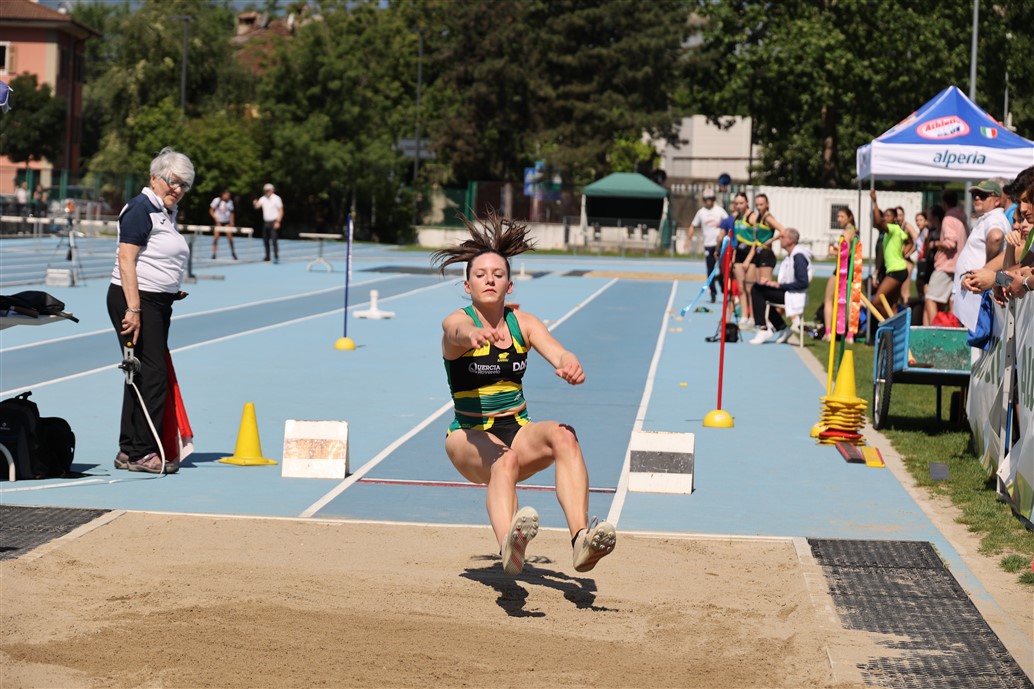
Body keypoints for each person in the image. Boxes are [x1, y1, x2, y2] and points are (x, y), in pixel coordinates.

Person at [431, 213, 616, 577]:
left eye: (497, 274)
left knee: (564, 436)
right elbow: (453, 330)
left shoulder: (524, 324)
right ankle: (509, 545)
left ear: (510, 285)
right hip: (468, 435)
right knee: (505, 460)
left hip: (517, 429)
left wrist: (570, 363)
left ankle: (581, 540)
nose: (489, 280)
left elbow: (558, 352)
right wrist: (471, 336)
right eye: (480, 275)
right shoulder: (459, 321)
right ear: (467, 285)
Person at [106, 147, 194, 475]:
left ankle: (129, 449)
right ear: (155, 178)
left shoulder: (163, 211)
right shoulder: (140, 208)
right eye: (173, 181)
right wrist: (134, 309)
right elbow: (126, 258)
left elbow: (156, 256)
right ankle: (143, 452)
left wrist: (170, 288)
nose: (178, 189)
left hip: (155, 302)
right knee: (154, 375)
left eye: (184, 185)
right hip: (136, 301)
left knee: (140, 372)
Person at [952, 179, 1009, 331]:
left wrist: (986, 272)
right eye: (975, 195)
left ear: (997, 200)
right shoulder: (987, 218)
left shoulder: (995, 218)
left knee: (976, 341)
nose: (977, 198)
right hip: (975, 294)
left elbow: (995, 237)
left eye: (983, 195)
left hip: (979, 296)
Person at [748, 227, 812, 344]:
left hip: (795, 294)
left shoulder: (798, 257)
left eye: (782, 237)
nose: (779, 239)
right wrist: (771, 284)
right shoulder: (790, 255)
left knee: (757, 290)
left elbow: (803, 282)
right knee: (759, 288)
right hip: (788, 291)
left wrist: (779, 286)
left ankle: (764, 328)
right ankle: (781, 327)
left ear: (790, 240)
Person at [870, 190, 917, 320]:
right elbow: (909, 241)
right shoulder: (896, 231)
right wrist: (903, 252)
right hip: (898, 269)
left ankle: (892, 323)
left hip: (897, 270)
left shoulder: (893, 229)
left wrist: (875, 201)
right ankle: (897, 327)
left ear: (895, 218)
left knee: (876, 302)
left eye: (888, 215)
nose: (885, 218)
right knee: (891, 305)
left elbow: (878, 222)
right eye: (884, 215)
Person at [822, 207, 858, 341]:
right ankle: (850, 335)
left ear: (849, 217)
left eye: (842, 216)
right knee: (850, 301)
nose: (838, 219)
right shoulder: (854, 230)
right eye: (837, 217)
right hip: (852, 268)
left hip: (843, 268)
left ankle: (828, 332)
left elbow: (846, 253)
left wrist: (833, 252)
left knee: (829, 299)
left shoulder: (847, 231)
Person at [922, 205, 961, 326]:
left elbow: (950, 243)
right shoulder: (960, 219)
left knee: (930, 298)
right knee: (945, 302)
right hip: (952, 267)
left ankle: (935, 331)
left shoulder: (947, 221)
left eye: (929, 217)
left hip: (944, 266)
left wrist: (935, 244)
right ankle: (943, 328)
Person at [688, 188, 728, 303]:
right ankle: (713, 293)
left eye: (710, 199)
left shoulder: (720, 211)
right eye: (706, 199)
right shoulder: (701, 212)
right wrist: (688, 239)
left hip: (719, 244)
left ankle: (722, 283)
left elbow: (728, 223)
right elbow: (693, 225)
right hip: (708, 245)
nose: (708, 201)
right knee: (710, 270)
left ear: (713, 199)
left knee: (722, 269)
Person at [253, 183, 284, 263]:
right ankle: (267, 256)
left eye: (268, 190)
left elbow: (280, 211)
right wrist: (255, 203)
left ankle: (276, 256)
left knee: (274, 239)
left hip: (274, 221)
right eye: (266, 190)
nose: (267, 192)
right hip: (266, 222)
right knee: (265, 239)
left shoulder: (276, 198)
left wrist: (278, 221)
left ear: (272, 190)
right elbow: (257, 206)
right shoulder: (263, 198)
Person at [209, 189, 237, 260]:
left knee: (230, 238)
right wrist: (215, 218)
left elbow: (232, 212)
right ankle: (214, 253)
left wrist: (232, 222)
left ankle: (233, 252)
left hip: (226, 222)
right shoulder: (217, 200)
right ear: (223, 194)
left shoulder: (230, 202)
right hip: (219, 222)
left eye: (229, 195)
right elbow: (211, 210)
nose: (228, 196)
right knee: (216, 238)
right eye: (227, 195)